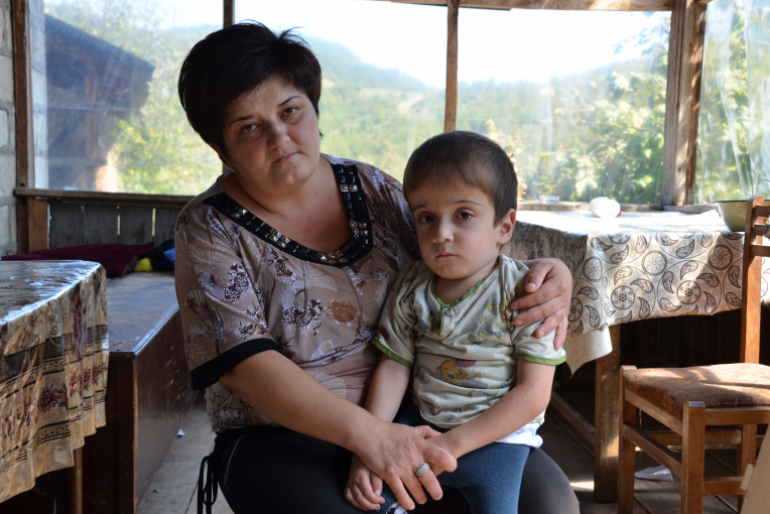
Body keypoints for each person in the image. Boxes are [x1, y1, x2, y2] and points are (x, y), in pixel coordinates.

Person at [174, 21, 580, 514]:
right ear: (220, 148)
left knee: (548, 502)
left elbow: (463, 253)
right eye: (248, 127)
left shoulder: (373, 189)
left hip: (423, 413)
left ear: (314, 109)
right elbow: (246, 367)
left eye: (290, 110)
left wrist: (548, 272)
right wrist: (373, 438)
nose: (279, 136)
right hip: (285, 438)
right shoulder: (209, 229)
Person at [345, 131, 566, 514]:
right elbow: (394, 368)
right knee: (373, 502)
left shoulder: (527, 293)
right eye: (426, 218)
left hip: (498, 437)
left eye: (463, 215)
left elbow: (533, 394)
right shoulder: (410, 287)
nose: (441, 234)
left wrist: (452, 445)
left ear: (504, 226)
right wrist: (367, 451)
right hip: (419, 426)